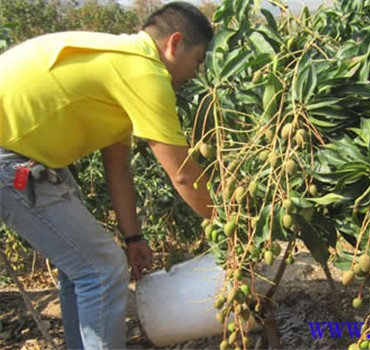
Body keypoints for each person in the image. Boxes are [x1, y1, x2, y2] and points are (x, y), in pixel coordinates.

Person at [0, 2, 214, 349]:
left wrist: (133, 238)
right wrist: (231, 226)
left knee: (84, 269)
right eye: (198, 59)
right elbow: (184, 176)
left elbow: (118, 166)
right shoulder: (144, 72)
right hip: (10, 158)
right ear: (175, 44)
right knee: (101, 270)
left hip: (26, 153)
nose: (197, 72)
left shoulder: (119, 63)